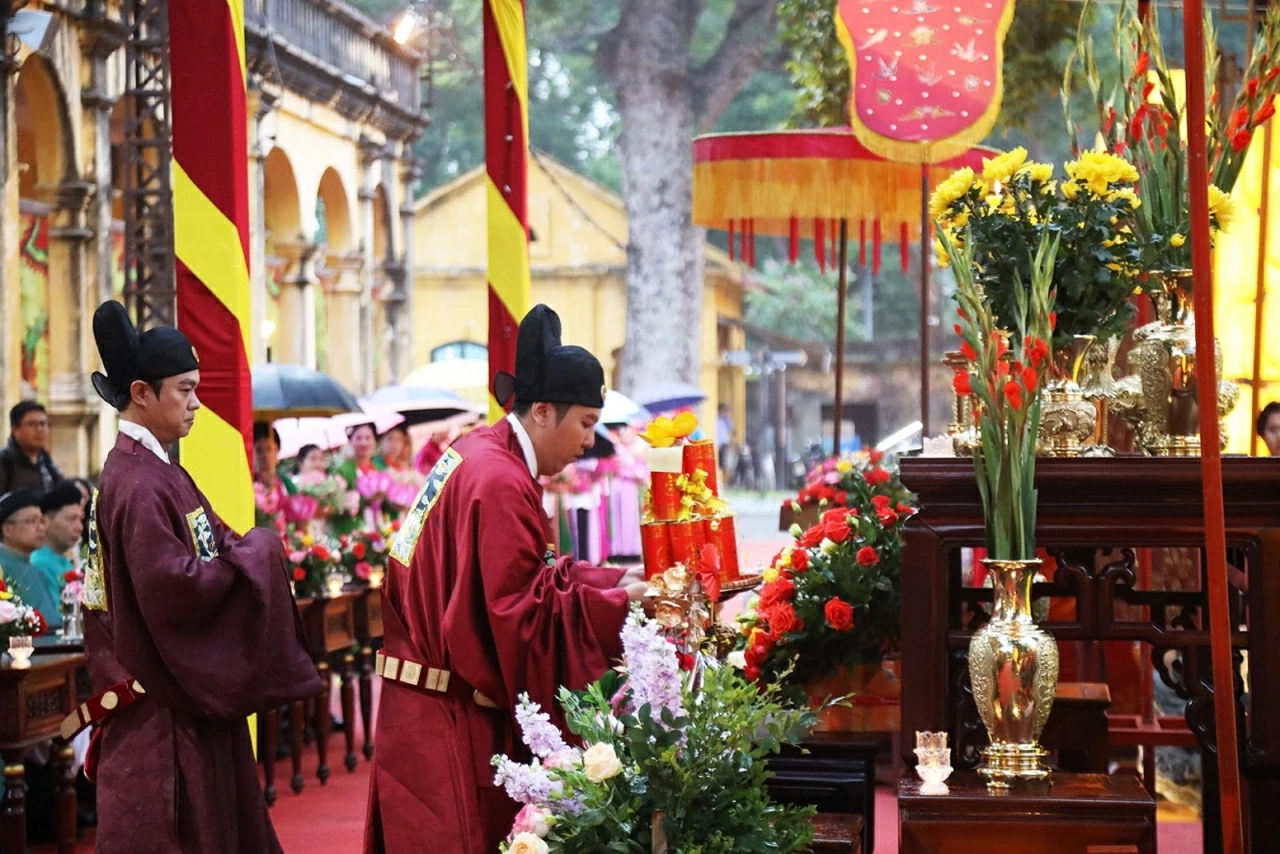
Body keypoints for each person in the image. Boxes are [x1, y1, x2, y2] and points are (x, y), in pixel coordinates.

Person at [364, 305, 647, 854]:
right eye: (586, 423)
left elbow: (528, 574)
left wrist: (612, 580)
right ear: (543, 411)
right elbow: (518, 613)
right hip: (444, 718)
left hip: (420, 700)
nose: (590, 442)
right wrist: (619, 608)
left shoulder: (476, 454)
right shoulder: (497, 479)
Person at [75, 300, 322, 853]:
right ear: (141, 393)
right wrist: (260, 554)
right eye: (184, 390)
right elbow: (174, 590)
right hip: (164, 712)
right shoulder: (138, 483)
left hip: (182, 699)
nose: (196, 403)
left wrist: (251, 548)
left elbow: (218, 537)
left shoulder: (160, 469)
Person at [29, 482, 87, 631]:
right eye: (71, 519)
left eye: (80, 519)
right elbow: (53, 621)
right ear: (46, 521)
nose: (79, 527)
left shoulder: (65, 563)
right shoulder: (38, 563)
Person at [0, 489, 49, 612]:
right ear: (7, 530)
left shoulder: (36, 570)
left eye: (42, 521)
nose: (41, 528)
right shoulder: (2, 567)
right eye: (31, 521)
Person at [0, 401, 64, 493]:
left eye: (43, 424)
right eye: (32, 424)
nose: (40, 429)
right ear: (15, 430)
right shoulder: (5, 463)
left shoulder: (48, 463)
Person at [253, 422, 299, 536]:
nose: (265, 455)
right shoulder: (248, 483)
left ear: (277, 451)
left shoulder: (286, 484)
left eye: (269, 449)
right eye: (259, 450)